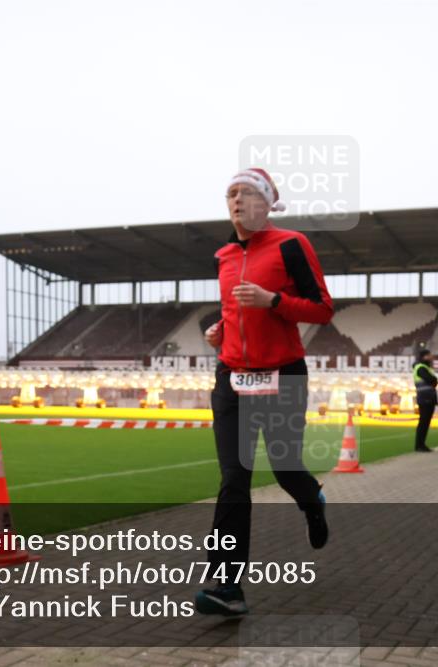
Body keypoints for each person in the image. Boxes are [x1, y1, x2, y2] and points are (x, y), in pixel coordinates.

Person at [195, 167, 333, 616]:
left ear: (268, 202)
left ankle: (312, 501)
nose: (236, 200)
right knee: (234, 478)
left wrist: (274, 301)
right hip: (232, 377)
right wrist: (220, 332)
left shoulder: (291, 244)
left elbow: (322, 310)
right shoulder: (224, 255)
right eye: (230, 194)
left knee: (285, 468)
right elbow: (233, 313)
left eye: (247, 193)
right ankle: (226, 586)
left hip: (282, 375)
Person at [412, 347, 438, 452]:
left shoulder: (425, 367)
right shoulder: (421, 367)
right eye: (429, 355)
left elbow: (434, 381)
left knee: (425, 422)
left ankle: (421, 444)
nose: (431, 357)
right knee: (423, 422)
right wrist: (434, 380)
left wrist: (434, 381)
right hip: (425, 397)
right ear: (425, 356)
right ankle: (419, 445)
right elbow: (432, 379)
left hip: (428, 397)